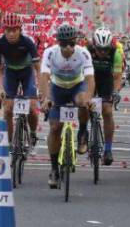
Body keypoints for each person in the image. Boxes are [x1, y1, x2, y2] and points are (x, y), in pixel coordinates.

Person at [38, 25, 94, 189]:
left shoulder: (83, 53)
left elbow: (90, 79)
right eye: (64, 44)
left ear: (75, 42)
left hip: (77, 85)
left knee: (83, 102)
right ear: (59, 43)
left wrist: (89, 98)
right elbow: (44, 76)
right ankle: (54, 169)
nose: (68, 48)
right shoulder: (50, 52)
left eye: (71, 43)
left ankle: (83, 132)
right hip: (57, 88)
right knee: (55, 128)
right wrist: (46, 98)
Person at [0, 12, 40, 146]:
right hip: (10, 73)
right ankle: (11, 143)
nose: (11, 34)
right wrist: (0, 89)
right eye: (8, 30)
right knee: (7, 108)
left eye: (15, 30)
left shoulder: (28, 41)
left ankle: (33, 132)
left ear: (20, 29)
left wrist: (40, 88)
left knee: (31, 107)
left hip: (27, 73)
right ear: (4, 30)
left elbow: (37, 67)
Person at [86, 27, 123, 165]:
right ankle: (85, 131)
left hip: (106, 80)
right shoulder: (87, 51)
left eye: (105, 49)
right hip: (89, 78)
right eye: (99, 49)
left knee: (107, 111)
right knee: (85, 105)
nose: (102, 52)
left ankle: (108, 149)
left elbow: (117, 77)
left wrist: (115, 92)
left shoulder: (116, 54)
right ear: (94, 45)